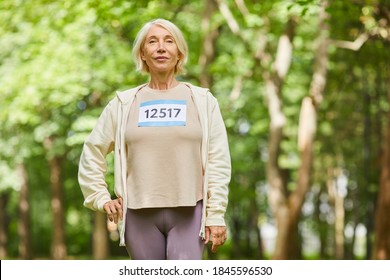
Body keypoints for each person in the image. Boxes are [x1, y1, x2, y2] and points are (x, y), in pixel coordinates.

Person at [78, 18, 231, 260]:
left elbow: (218, 160)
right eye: (153, 41)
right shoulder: (123, 104)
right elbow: (92, 151)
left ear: (179, 53)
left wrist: (216, 214)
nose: (161, 47)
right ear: (143, 54)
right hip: (138, 215)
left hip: (191, 213)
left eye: (169, 41)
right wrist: (99, 196)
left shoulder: (203, 100)